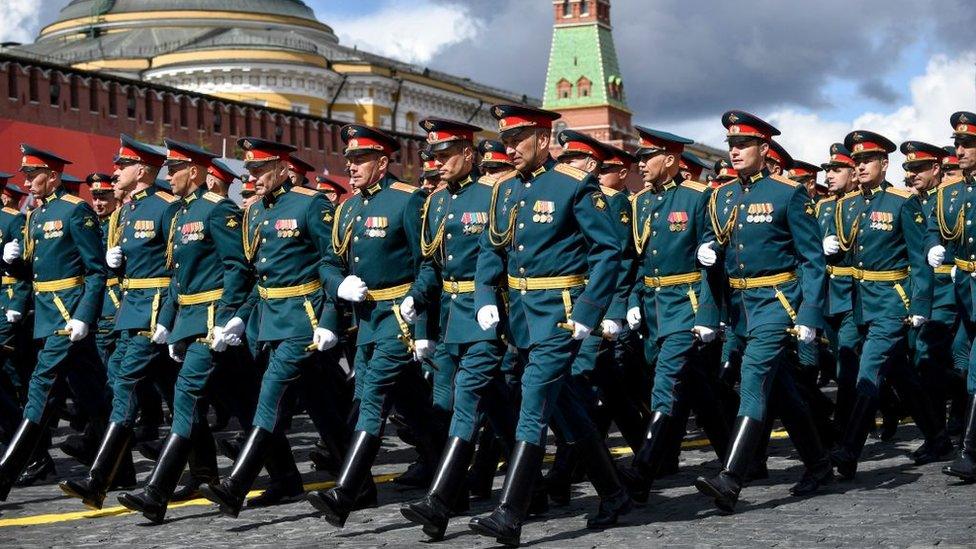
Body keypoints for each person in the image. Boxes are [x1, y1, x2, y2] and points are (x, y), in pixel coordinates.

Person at [467, 104, 630, 546]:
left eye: (517, 140)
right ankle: (615, 492)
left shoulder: (574, 187)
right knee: (566, 408)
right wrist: (485, 296)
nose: (509, 149)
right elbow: (490, 250)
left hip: (560, 314)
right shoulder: (504, 191)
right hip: (520, 314)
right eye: (504, 141)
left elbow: (607, 251)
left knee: (533, 402)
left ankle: (509, 513)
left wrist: (589, 311)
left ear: (543, 140)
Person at [694, 111, 832, 512]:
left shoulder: (787, 193)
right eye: (731, 146)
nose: (735, 152)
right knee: (784, 392)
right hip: (738, 308)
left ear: (763, 149)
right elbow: (714, 259)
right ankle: (819, 464)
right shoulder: (720, 196)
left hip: (776, 302)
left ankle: (731, 477)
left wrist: (808, 315)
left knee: (752, 380)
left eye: (743, 145)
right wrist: (708, 309)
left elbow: (812, 260)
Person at [199, 137, 341, 517]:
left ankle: (236, 485)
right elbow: (259, 278)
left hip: (302, 319)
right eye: (251, 171)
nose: (255, 177)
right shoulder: (256, 213)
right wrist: (238, 318)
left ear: (282, 168)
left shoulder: (312, 205)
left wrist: (329, 320)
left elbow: (333, 263)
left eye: (260, 169)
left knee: (269, 397)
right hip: (267, 322)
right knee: (322, 405)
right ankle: (347, 478)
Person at [305, 124, 437, 528]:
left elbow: (429, 263)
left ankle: (347, 491)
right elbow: (329, 262)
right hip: (366, 321)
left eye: (360, 160)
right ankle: (448, 467)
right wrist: (337, 286)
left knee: (372, 393)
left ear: (382, 163)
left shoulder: (407, 201)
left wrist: (420, 311)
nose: (352, 166)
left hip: (399, 316)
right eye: (349, 159)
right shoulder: (346, 209)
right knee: (411, 403)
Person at [116, 139, 250, 523]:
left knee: (186, 395)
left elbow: (236, 268)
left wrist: (228, 318)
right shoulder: (178, 215)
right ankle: (286, 475)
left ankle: (156, 492)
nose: (167, 175)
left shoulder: (217, 209)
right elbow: (177, 275)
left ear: (195, 172)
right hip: (188, 321)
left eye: (174, 169)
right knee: (245, 401)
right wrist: (168, 321)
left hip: (211, 321)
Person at [398, 118, 516, 541]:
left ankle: (440, 502)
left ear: (469, 154)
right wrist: (417, 296)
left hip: (488, 314)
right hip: (452, 316)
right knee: (494, 405)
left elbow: (505, 257)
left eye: (444, 155)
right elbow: (432, 264)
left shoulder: (495, 195)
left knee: (466, 399)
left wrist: (491, 302)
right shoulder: (436, 203)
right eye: (432, 156)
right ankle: (531, 487)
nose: (436, 163)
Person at [60, 135, 181, 509]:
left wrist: (168, 316)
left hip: (154, 312)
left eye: (121, 165)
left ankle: (99, 479)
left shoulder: (166, 208)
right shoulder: (125, 212)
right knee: (174, 394)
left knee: (125, 383)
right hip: (130, 311)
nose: (115, 171)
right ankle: (205, 470)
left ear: (141, 170)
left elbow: (180, 268)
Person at [825, 130, 950, 479]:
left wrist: (920, 303)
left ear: (884, 163)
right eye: (857, 161)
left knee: (869, 371)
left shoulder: (901, 201)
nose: (861, 166)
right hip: (861, 302)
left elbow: (919, 252)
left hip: (892, 302)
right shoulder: (847, 205)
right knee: (901, 374)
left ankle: (849, 450)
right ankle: (938, 438)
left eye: (867, 161)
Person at [623, 127, 730, 499]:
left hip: (686, 305)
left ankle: (643, 470)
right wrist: (633, 301)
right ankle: (738, 455)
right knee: (696, 388)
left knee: (666, 384)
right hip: (653, 308)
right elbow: (638, 260)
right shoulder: (639, 203)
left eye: (647, 157)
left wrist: (708, 315)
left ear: (669, 160)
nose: (641, 164)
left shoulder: (698, 197)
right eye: (638, 158)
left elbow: (710, 259)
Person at [0, 145, 110, 501]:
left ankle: (5, 476)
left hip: (67, 316)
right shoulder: (35, 215)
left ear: (53, 176)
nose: (28, 182)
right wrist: (13, 263)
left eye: (34, 176)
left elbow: (96, 271)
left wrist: (82, 315)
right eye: (26, 177)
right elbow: (34, 273)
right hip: (46, 317)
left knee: (39, 390)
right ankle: (120, 469)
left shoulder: (76, 212)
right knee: (93, 397)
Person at [941, 111, 976, 481]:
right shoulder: (956, 191)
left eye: (967, 144)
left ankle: (970, 453)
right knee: (965, 363)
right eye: (957, 144)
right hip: (966, 290)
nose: (960, 149)